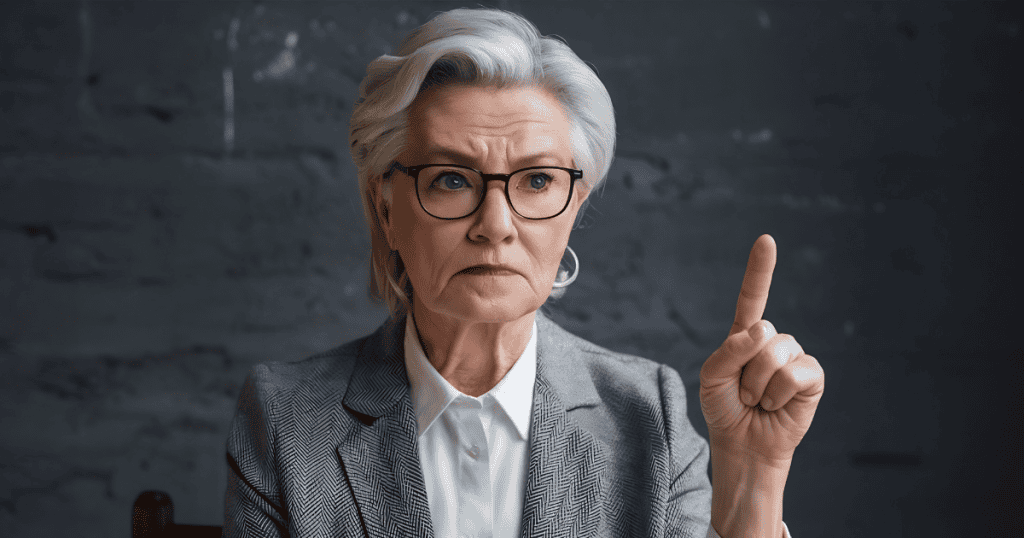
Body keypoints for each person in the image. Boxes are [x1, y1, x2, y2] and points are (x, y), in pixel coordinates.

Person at [224, 7, 825, 538]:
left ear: (575, 207)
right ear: (387, 207)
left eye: (537, 181)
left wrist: (755, 480)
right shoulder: (286, 417)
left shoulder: (651, 417)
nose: (496, 224)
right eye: (451, 179)